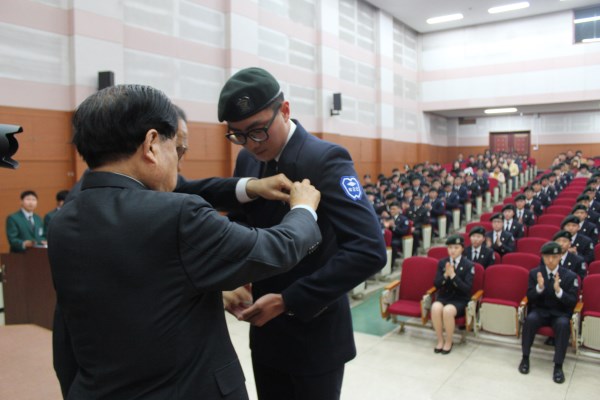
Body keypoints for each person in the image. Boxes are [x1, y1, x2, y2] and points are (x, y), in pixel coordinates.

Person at [48, 84, 323, 400]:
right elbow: (274, 249)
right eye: (176, 150)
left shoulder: (63, 222)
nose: (178, 166)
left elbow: (67, 334)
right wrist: (303, 209)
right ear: (152, 143)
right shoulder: (176, 215)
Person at [218, 67, 386, 400]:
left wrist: (289, 300)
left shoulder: (325, 159)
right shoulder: (248, 162)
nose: (250, 144)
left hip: (314, 331)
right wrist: (235, 277)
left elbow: (369, 249)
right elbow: (241, 224)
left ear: (285, 110)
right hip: (266, 331)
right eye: (238, 135)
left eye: (258, 131)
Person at [518, 242, 579, 384]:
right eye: (547, 257)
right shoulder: (535, 273)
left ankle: (558, 365)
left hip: (560, 313)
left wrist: (559, 291)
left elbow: (572, 301)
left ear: (560, 257)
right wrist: (539, 288)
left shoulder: (570, 276)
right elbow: (530, 296)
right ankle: (525, 358)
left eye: (554, 257)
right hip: (541, 311)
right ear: (542, 257)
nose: (550, 260)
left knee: (563, 325)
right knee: (530, 320)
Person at [431, 235, 474, 354]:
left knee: (448, 311)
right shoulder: (442, 263)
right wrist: (445, 275)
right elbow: (436, 284)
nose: (452, 250)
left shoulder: (468, 265)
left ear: (462, 249)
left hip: (460, 299)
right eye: (450, 247)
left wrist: (453, 276)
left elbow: (466, 288)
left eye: (456, 247)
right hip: (445, 296)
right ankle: (440, 340)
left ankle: (449, 341)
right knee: (435, 308)